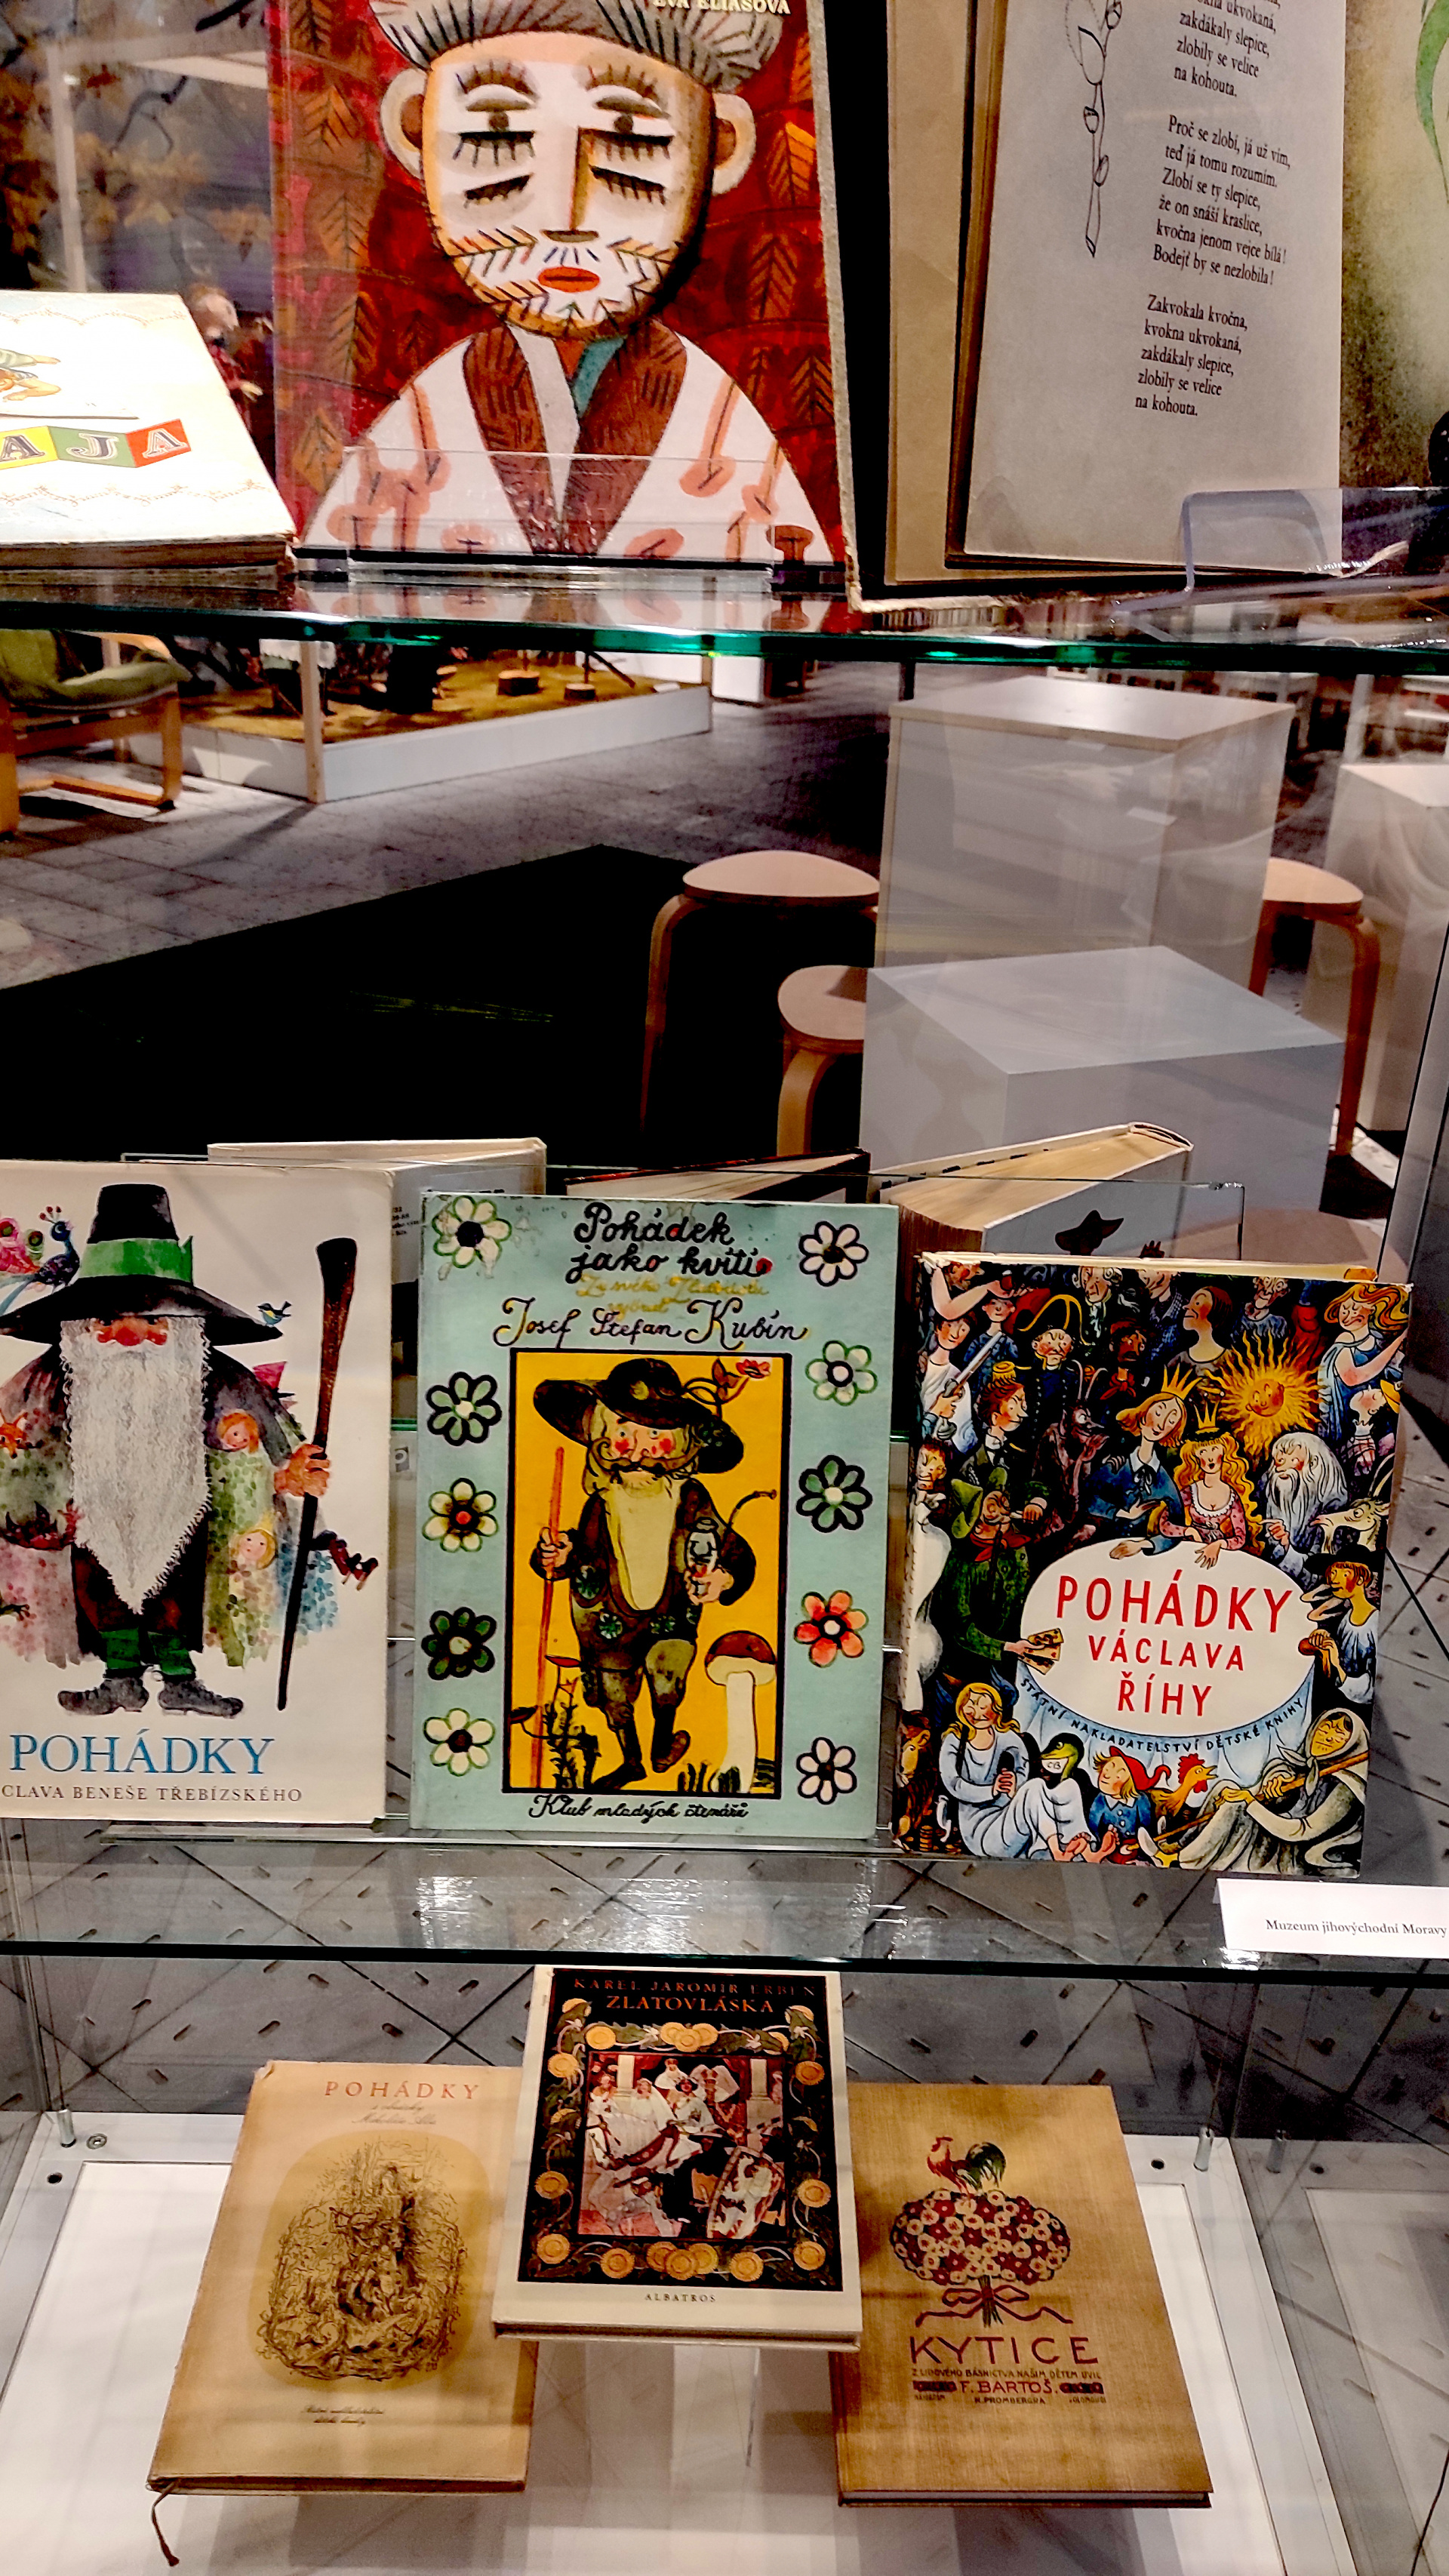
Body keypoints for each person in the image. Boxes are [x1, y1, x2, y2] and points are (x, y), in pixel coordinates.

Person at [313, 0, 828, 562]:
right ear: (415, 129)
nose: (565, 212)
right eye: (497, 131)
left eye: (630, 135)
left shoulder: (719, 422)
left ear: (719, 146)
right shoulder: (426, 417)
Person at [0, 1183, 332, 1719]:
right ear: (77, 1330)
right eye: (106, 1322)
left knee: (176, 1591)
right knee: (99, 1588)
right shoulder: (47, 1379)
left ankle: (180, 1681)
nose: (129, 1336)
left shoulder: (220, 1378)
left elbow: (275, 1441)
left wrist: (293, 1471)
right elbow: (12, 1434)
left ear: (187, 1329)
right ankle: (120, 1680)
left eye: (154, 1321)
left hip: (185, 1505)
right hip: (90, 1508)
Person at [531, 1356, 754, 1788]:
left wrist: (724, 1578)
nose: (637, 1450)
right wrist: (556, 1559)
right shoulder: (599, 1501)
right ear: (600, 1434)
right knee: (615, 1692)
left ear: (683, 1442)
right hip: (607, 1621)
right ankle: (631, 1759)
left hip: (671, 1613)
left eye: (654, 1434)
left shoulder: (691, 1497)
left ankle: (663, 1742)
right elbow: (581, 1552)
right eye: (623, 1432)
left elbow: (732, 1548)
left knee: (668, 1679)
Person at [1121, 1424, 1259, 1568]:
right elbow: (1165, 1524)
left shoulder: (1232, 1496)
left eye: (1214, 1449)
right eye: (1203, 1452)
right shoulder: (1190, 1492)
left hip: (1219, 1556)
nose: (1210, 1457)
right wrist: (1188, 1530)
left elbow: (1240, 1538)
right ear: (1195, 1457)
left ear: (1224, 1452)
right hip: (1189, 1549)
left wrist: (1219, 1544)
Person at [1079, 1383, 1187, 1550]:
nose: (1161, 1425)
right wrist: (1122, 1513)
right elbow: (1086, 1499)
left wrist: (1144, 1545)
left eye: (1171, 1421)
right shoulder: (1116, 1466)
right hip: (1101, 1548)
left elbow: (1177, 1529)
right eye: (1158, 1413)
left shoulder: (1164, 1482)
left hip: (1140, 1560)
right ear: (1143, 1415)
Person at [1317, 1285, 1407, 1445]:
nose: (1347, 1315)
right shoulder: (1345, 1341)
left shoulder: (1379, 1340)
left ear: (1371, 1310)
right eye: (1344, 1308)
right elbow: (1354, 1377)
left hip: (1377, 1422)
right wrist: (1398, 1341)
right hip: (1345, 1426)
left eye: (1354, 1309)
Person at [1260, 1430, 1346, 1580]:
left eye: (1292, 1460)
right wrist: (1282, 1543)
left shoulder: (1334, 1510)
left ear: (1314, 1465)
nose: (1279, 1469)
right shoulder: (1275, 1497)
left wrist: (1287, 1547)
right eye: (1278, 1461)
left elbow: (1320, 1574)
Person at [1086, 1747, 1170, 1864]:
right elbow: (1093, 1826)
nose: (1107, 1775)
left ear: (1129, 1785)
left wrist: (1137, 1847)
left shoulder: (1141, 1800)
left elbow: (1146, 1829)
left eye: (1118, 1776)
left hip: (1135, 1848)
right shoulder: (1100, 1800)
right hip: (1108, 1848)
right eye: (1108, 1768)